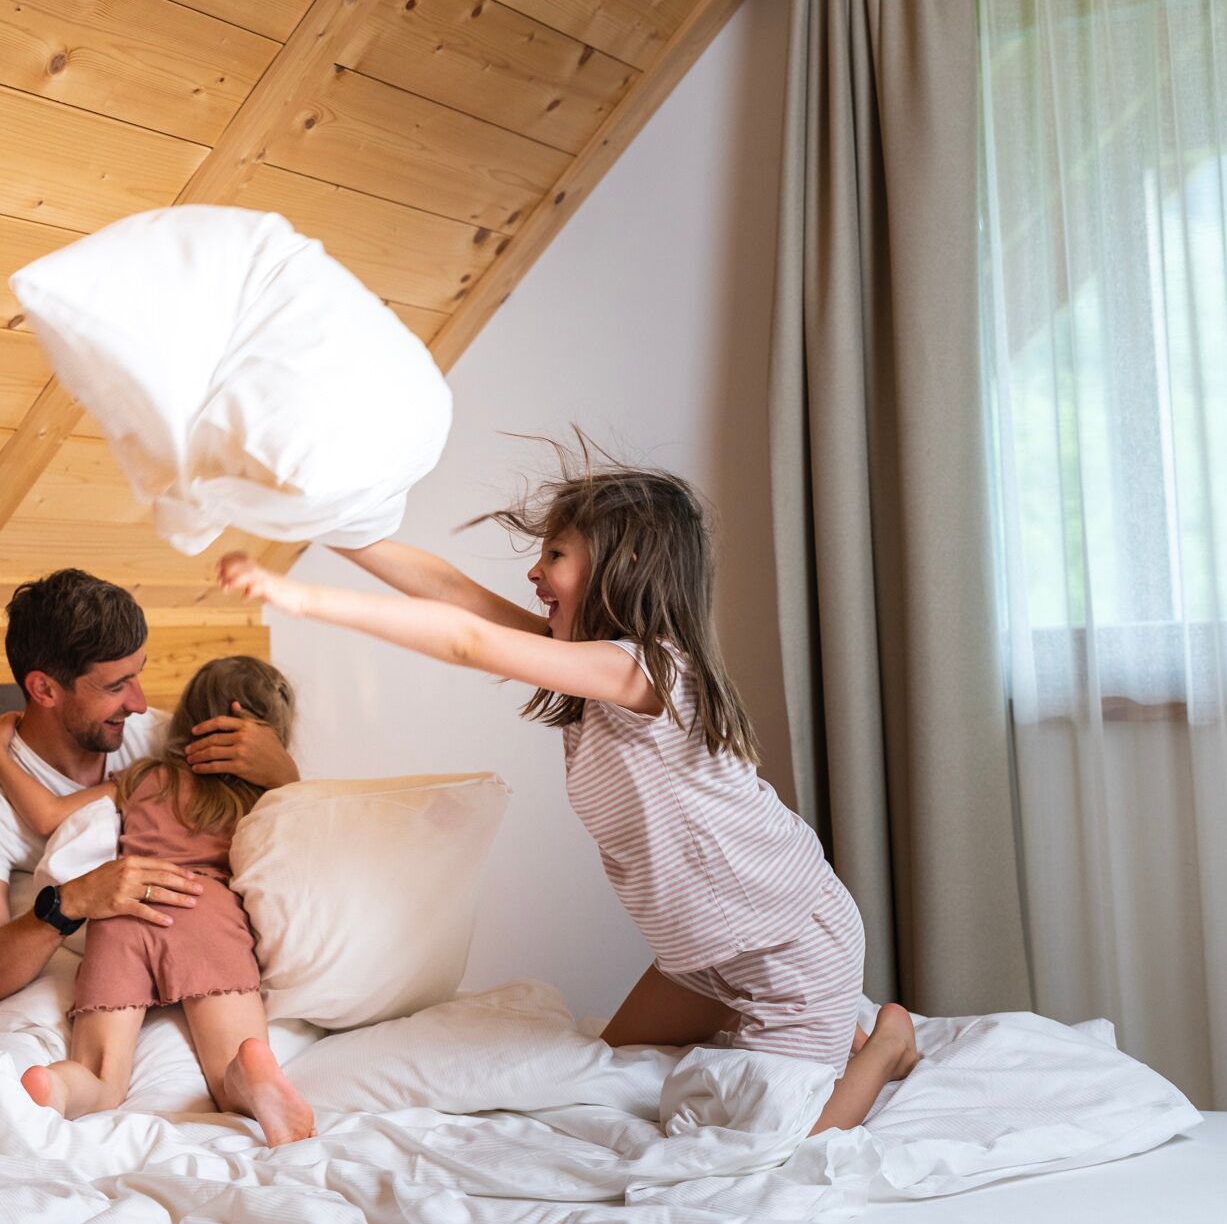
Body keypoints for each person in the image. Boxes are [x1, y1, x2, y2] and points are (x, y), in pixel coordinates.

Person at [218, 452, 922, 1134]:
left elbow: (466, 639)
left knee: (786, 1140)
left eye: (555, 553)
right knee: (610, 1063)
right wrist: (321, 526)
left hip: (786, 941)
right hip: (701, 955)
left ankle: (884, 1039)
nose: (534, 570)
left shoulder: (649, 670)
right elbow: (459, 597)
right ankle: (831, 1029)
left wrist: (298, 596)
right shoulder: (591, 671)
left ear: (629, 564)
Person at [0, 657, 313, 1143]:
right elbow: (309, 840)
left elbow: (48, 814)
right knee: (225, 1074)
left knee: (101, 1076)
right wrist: (287, 775)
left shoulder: (140, 777)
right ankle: (250, 1071)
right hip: (207, 906)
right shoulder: (267, 797)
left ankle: (57, 1086)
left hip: (126, 906)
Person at [0, 569, 300, 1015]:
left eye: (138, 675)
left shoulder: (168, 740)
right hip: (108, 981)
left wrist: (285, 775)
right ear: (44, 689)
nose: (139, 703)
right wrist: (73, 900)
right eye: (115, 686)